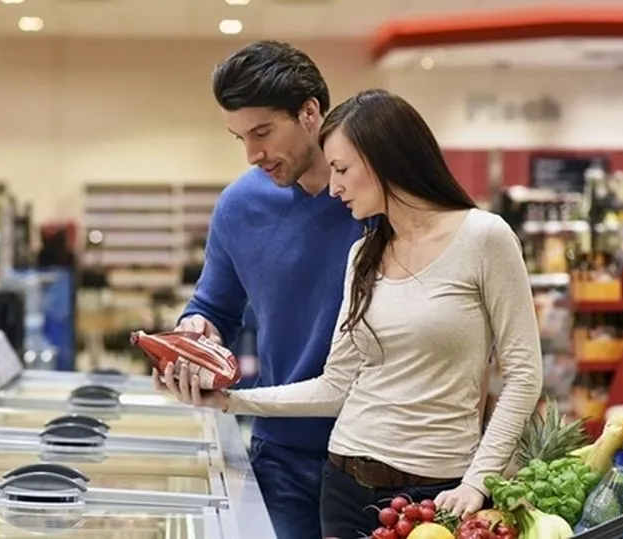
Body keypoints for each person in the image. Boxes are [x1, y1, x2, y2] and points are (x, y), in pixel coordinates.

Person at [160, 89, 543, 538]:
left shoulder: (484, 238)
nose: (334, 187)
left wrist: (479, 481)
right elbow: (336, 385)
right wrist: (230, 401)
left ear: (383, 159)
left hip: (437, 493)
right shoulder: (364, 254)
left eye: (341, 169)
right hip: (343, 484)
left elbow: (524, 374)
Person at [159, 40, 364, 539]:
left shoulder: (377, 196)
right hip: (282, 452)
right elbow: (213, 308)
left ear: (310, 113)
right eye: (241, 138)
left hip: (378, 454)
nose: (253, 155)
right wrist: (196, 333)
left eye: (262, 133)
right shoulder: (238, 207)